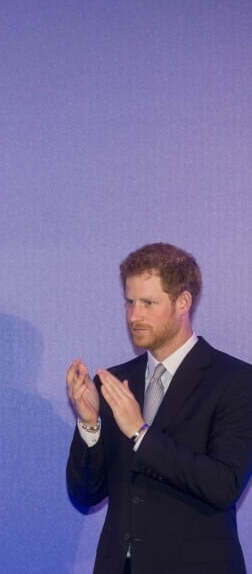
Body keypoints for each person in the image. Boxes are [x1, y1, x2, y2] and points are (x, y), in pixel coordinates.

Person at [66, 242, 252, 574]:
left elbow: (224, 485)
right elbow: (85, 495)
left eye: (149, 303)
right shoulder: (114, 382)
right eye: (130, 302)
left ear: (183, 302)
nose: (134, 316)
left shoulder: (235, 380)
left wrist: (141, 433)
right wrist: (90, 425)